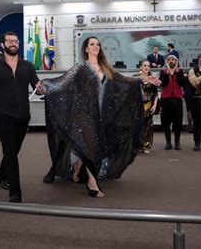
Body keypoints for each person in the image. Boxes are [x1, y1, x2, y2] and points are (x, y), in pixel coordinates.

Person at [37, 36, 160, 198]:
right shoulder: (81, 67)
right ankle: (92, 183)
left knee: (91, 145)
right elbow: (62, 82)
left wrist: (143, 79)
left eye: (98, 44)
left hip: (101, 114)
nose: (96, 47)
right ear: (86, 49)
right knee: (91, 145)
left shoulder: (105, 68)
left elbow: (123, 80)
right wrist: (45, 86)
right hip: (83, 114)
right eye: (92, 44)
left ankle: (77, 169)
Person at [0, 31, 40, 203]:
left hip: (23, 117)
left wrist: (41, 88)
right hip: (4, 116)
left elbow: (37, 84)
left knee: (13, 150)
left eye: (16, 41)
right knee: (10, 152)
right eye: (10, 41)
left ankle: (1, 173)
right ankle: (15, 192)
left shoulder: (27, 66)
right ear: (2, 44)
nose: (14, 43)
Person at [159, 55, 186, 150]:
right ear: (167, 61)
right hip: (165, 99)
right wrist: (167, 72)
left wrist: (176, 71)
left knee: (177, 122)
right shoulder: (163, 72)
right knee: (165, 122)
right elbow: (164, 84)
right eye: (169, 60)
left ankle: (177, 142)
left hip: (177, 99)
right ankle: (168, 142)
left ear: (176, 61)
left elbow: (182, 83)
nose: (171, 61)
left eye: (173, 60)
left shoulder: (180, 71)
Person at [135, 60, 159, 154]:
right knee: (137, 126)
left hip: (148, 105)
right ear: (140, 67)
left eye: (148, 66)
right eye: (144, 65)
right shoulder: (135, 78)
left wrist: (155, 105)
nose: (146, 67)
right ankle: (137, 145)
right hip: (137, 106)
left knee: (148, 126)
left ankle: (146, 145)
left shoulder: (153, 79)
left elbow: (155, 94)